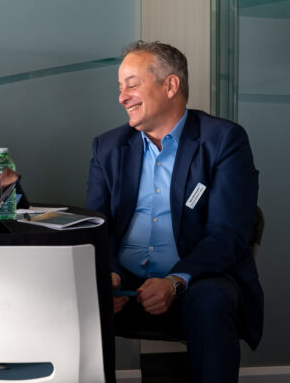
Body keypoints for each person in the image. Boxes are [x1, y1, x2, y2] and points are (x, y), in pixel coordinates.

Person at [85, 41, 263, 383]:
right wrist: (110, 274)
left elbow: (228, 233)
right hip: (124, 283)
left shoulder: (223, 141)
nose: (122, 97)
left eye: (132, 85)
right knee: (73, 293)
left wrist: (175, 281)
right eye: (120, 87)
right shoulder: (108, 147)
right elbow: (98, 225)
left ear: (170, 85)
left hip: (194, 280)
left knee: (213, 300)